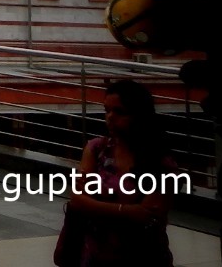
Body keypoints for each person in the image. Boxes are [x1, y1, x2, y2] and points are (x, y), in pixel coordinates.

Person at [60, 79, 175, 267]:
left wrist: (95, 203)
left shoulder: (158, 161)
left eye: (119, 112)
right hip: (95, 256)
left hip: (143, 256)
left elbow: (150, 215)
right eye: (107, 110)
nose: (110, 117)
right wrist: (127, 210)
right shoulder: (97, 149)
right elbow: (77, 201)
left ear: (139, 115)